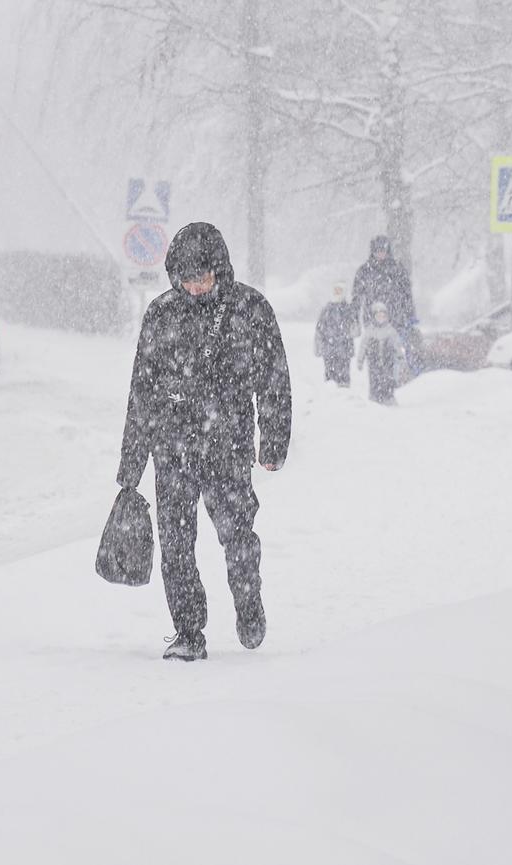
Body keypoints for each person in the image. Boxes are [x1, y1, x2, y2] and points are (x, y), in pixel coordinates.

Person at [117, 222, 292, 662]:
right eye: (186, 280)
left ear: (220, 270)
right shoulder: (161, 314)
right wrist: (131, 464)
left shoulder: (250, 309)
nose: (195, 288)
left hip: (227, 447)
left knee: (237, 534)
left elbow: (274, 380)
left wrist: (273, 441)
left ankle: (248, 603)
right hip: (171, 449)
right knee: (176, 546)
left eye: (203, 278)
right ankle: (188, 632)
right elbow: (142, 390)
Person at [351, 235, 418, 372]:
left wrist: (409, 313)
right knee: (373, 354)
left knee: (393, 351)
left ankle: (393, 377)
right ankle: (376, 378)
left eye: (383, 250)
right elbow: (356, 296)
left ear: (388, 251)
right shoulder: (364, 271)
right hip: (371, 320)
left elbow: (406, 294)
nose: (380, 254)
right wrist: (354, 317)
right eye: (378, 250)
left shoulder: (397, 269)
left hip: (394, 318)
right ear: (373, 251)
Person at [357, 302, 406, 406]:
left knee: (388, 378)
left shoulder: (390, 330)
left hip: (387, 360)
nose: (380, 318)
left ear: (386, 317)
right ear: (373, 317)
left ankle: (388, 396)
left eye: (383, 316)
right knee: (374, 379)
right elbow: (363, 346)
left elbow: (397, 345)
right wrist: (360, 360)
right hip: (373, 360)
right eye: (378, 316)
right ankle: (375, 396)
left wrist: (400, 357)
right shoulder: (369, 331)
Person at [314, 281, 359, 387]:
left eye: (340, 290)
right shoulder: (326, 309)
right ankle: (330, 393)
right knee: (330, 376)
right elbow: (319, 329)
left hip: (344, 349)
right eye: (336, 290)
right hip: (329, 348)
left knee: (344, 377)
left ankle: (344, 392)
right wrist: (318, 346)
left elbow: (356, 330)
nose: (337, 292)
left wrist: (349, 332)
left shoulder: (349, 309)